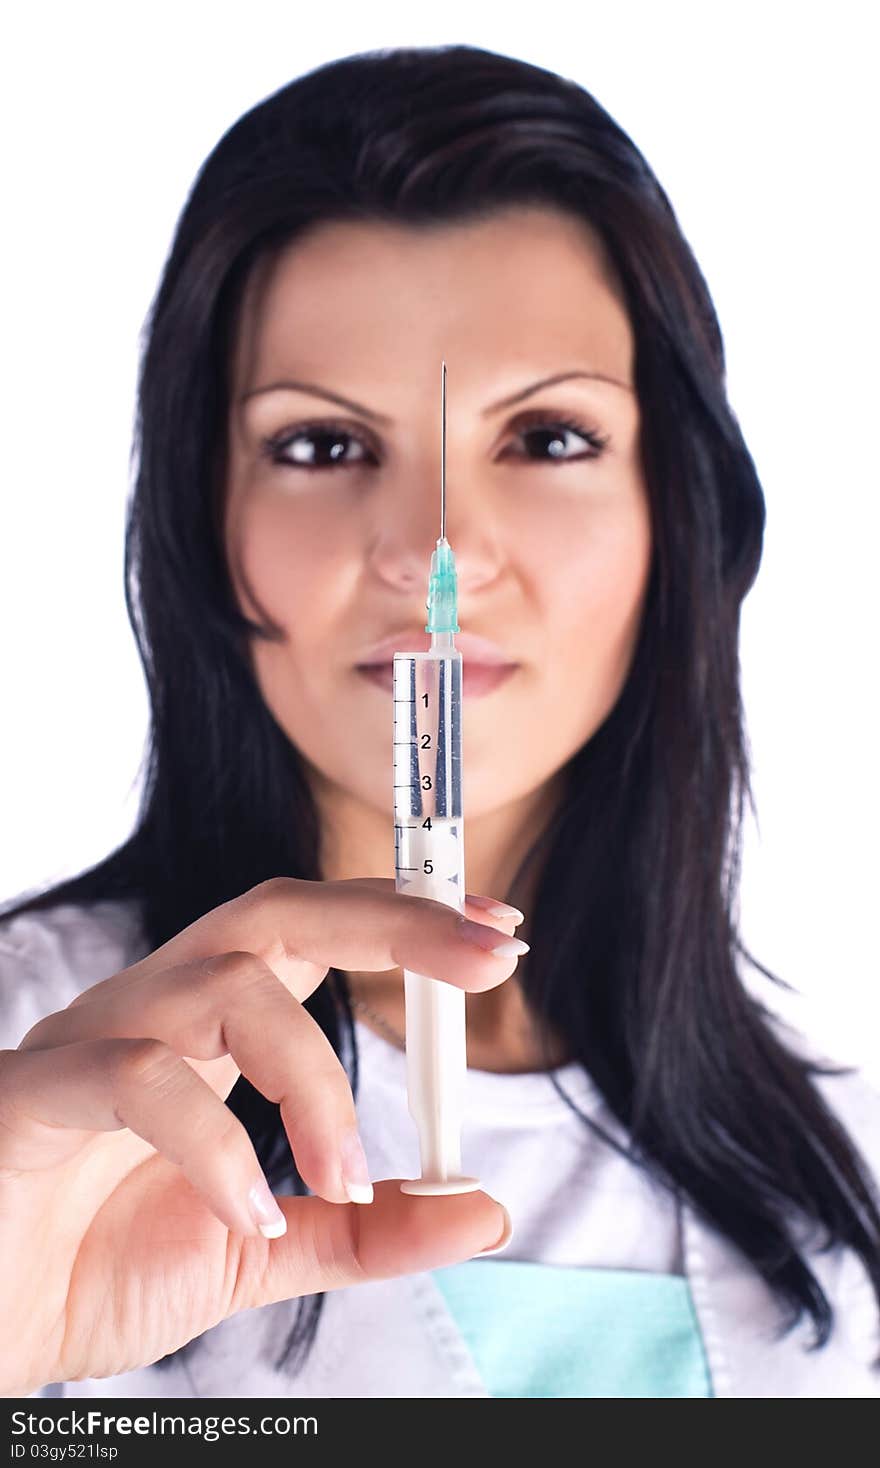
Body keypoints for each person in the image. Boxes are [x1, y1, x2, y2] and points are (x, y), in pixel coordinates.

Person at [1, 43, 878, 1401]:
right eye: (322, 446)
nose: (436, 546)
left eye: (548, 439)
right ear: (199, 518)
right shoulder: (37, 1076)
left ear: (679, 511)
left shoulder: (837, 1160)